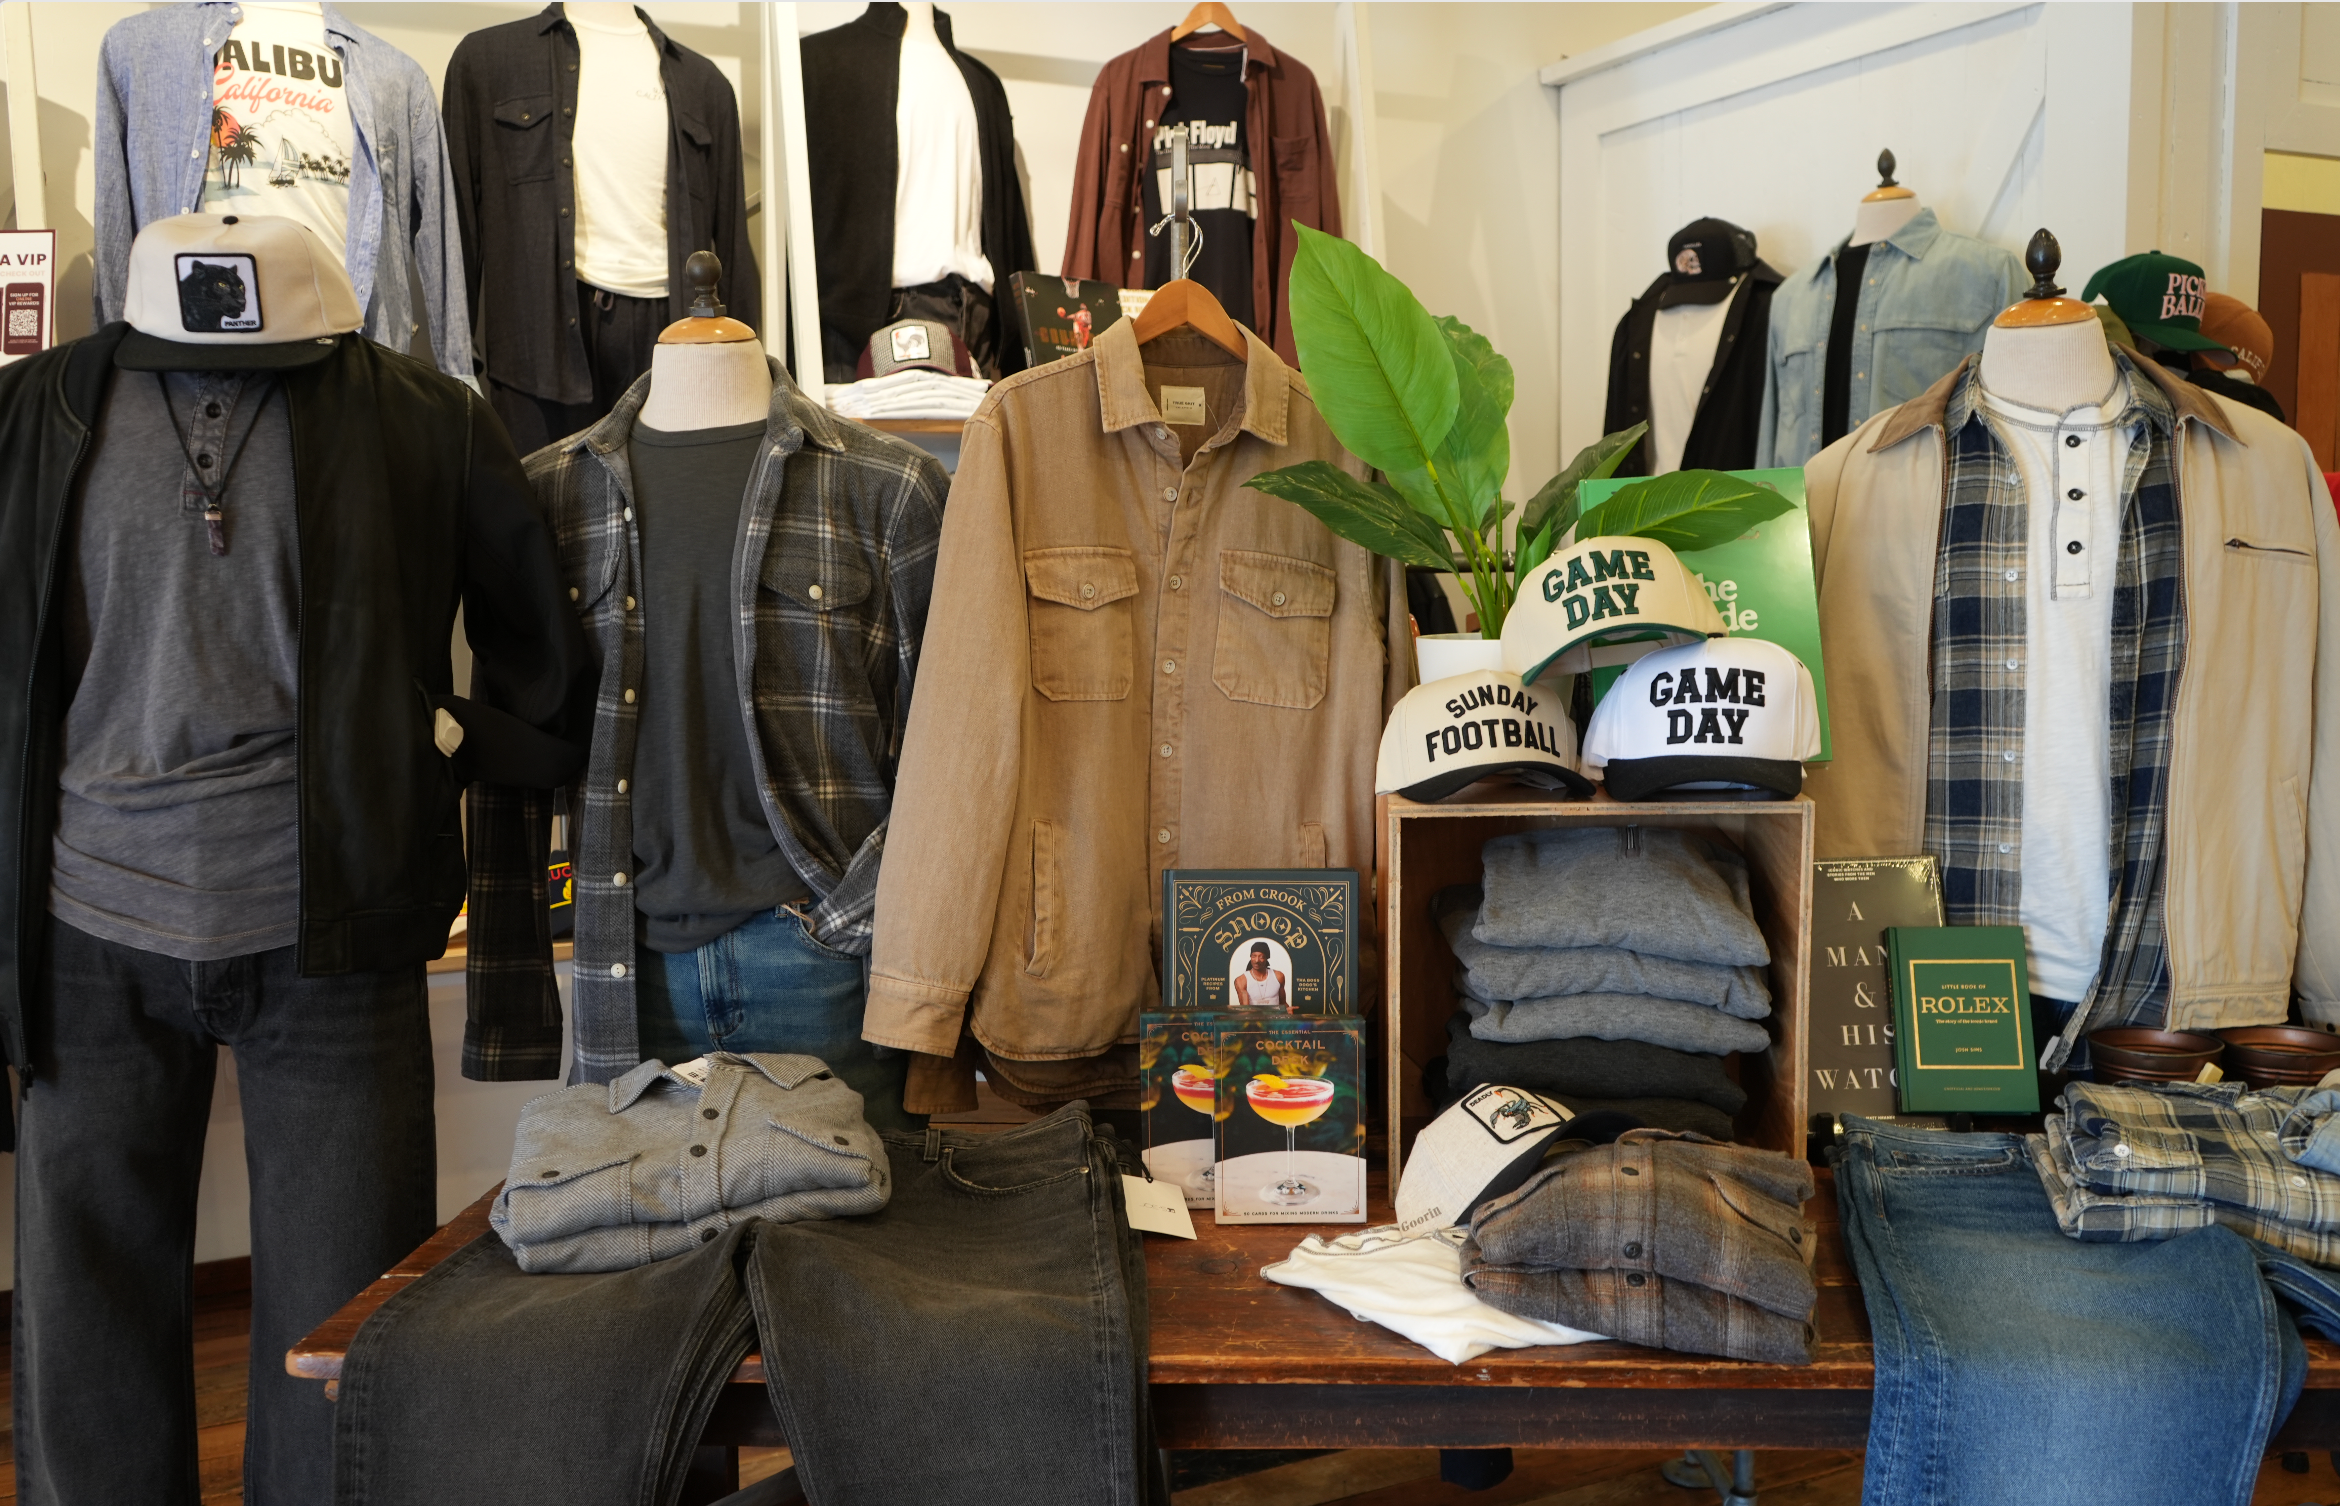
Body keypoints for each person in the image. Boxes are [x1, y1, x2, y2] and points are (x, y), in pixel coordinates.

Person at [1238, 942, 1288, 1009]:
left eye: (1261, 957)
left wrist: (1288, 1010)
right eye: (1254, 956)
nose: (1256, 960)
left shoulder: (1278, 976)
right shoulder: (1242, 980)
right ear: (1250, 957)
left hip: (1275, 1017)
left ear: (1266, 958)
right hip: (1253, 1018)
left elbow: (1283, 1003)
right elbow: (1245, 1009)